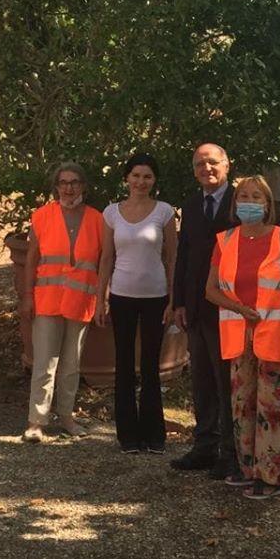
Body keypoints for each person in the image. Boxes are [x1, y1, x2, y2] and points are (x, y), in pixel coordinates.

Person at [171, 142, 280, 477]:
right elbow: (184, 257)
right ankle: (204, 445)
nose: (206, 169)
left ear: (227, 165)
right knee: (203, 385)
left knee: (231, 389)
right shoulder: (192, 204)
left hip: (244, 317)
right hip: (202, 308)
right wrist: (178, 301)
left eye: (212, 163)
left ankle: (231, 454)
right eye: (199, 164)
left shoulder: (244, 197)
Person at [205, 175, 280, 500]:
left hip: (277, 337)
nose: (248, 202)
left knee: (274, 408)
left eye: (256, 197)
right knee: (243, 406)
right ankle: (249, 469)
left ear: (268, 205)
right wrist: (237, 308)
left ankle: (276, 476)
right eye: (242, 196)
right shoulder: (225, 240)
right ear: (234, 203)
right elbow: (210, 291)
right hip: (239, 338)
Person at [96, 153, 177, 454]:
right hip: (121, 296)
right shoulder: (111, 213)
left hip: (156, 297)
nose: (141, 182)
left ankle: (154, 434)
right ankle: (127, 435)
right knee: (124, 364)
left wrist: (173, 298)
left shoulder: (165, 212)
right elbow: (106, 258)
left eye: (147, 177)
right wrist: (99, 299)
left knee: (150, 365)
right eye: (136, 176)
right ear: (126, 178)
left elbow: (172, 258)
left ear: (154, 180)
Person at [21, 162, 103, 442]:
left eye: (74, 182)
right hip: (47, 299)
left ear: (84, 186)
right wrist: (26, 296)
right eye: (63, 182)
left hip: (81, 299)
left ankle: (66, 416)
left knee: (72, 363)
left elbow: (104, 261)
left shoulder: (97, 219)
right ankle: (36, 420)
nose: (69, 188)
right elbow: (31, 257)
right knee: (44, 362)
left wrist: (104, 298)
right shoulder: (41, 216)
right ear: (56, 187)